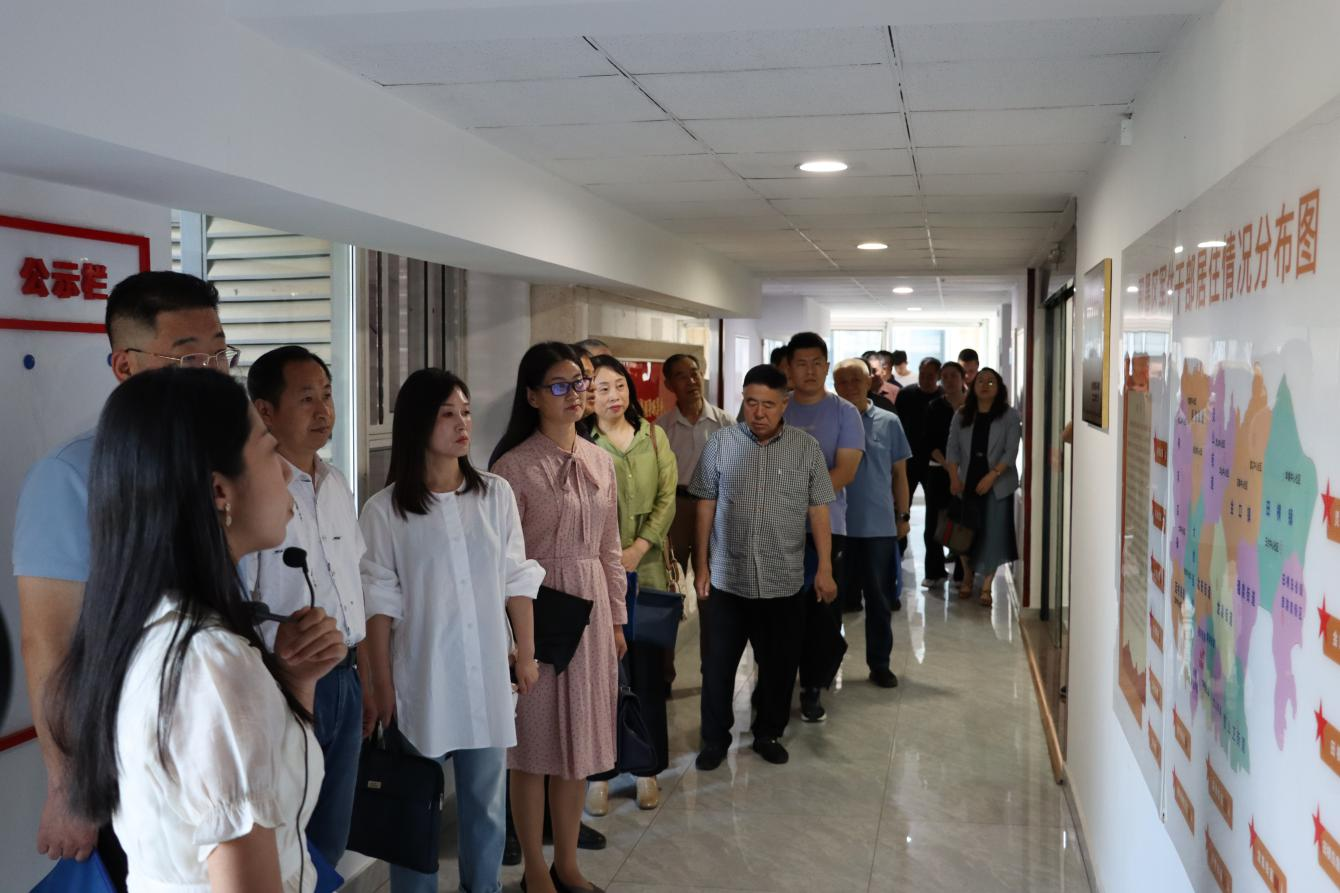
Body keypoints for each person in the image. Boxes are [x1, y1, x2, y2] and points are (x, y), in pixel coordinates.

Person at [47, 367, 346, 891]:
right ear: (219, 491)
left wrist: (295, 681)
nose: (285, 472)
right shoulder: (210, 664)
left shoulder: (152, 626)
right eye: (268, 450)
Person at [13, 270, 237, 888]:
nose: (214, 373)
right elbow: (49, 643)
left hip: (218, 747)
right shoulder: (70, 477)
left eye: (220, 353)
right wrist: (68, 786)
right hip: (130, 763)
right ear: (125, 366)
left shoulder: (222, 464)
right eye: (190, 358)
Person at [360, 368, 544, 893]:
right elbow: (378, 607)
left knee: (485, 807)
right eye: (447, 414)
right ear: (418, 424)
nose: (463, 424)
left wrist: (526, 652)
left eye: (465, 412)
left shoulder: (495, 495)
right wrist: (380, 684)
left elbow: (516, 577)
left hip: (487, 673)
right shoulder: (385, 511)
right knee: (415, 806)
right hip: (422, 676)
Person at [489, 342, 626, 893]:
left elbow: (610, 547)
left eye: (580, 382)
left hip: (591, 612)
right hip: (537, 614)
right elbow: (503, 563)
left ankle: (567, 864)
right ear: (532, 396)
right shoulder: (512, 468)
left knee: (579, 747)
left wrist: (617, 619)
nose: (575, 394)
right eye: (560, 385)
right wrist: (513, 639)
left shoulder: (600, 461)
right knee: (532, 749)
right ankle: (535, 871)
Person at [243, 345, 368, 869]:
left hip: (345, 676)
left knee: (332, 832)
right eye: (307, 398)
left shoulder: (335, 482)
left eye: (328, 396)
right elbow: (240, 604)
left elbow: (354, 582)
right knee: (285, 829)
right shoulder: (250, 493)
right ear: (265, 411)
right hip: (281, 683)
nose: (324, 411)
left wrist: (366, 677)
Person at [690, 364, 836, 770]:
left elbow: (819, 509)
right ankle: (714, 739)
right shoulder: (720, 444)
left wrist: (824, 567)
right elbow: (705, 504)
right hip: (727, 577)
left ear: (785, 404)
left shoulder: (805, 448)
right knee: (717, 666)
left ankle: (768, 733)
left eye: (768, 405)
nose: (758, 413)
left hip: (783, 580)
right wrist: (700, 566)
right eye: (751, 402)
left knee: (779, 666)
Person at [585, 355, 677, 814]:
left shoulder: (653, 438)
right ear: (588, 397)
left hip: (648, 570)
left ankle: (646, 770)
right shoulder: (583, 443)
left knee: (647, 675)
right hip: (598, 575)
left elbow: (667, 498)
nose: (613, 396)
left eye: (619, 386)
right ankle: (599, 774)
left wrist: (639, 548)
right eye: (602, 389)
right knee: (600, 676)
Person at [784, 332, 863, 723]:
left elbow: (845, 471)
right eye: (802, 363)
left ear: (827, 367)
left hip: (829, 527)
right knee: (780, 611)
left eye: (817, 363)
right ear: (789, 368)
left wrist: (794, 498)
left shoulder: (845, 413)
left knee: (822, 609)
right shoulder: (776, 407)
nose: (810, 371)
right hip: (776, 530)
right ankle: (777, 680)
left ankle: (813, 686)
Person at [832, 360, 911, 687]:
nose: (850, 386)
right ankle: (825, 665)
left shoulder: (888, 421)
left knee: (879, 599)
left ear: (870, 383)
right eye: (843, 381)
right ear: (834, 386)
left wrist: (903, 516)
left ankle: (880, 664)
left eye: (856, 380)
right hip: (834, 526)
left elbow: (900, 475)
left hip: (878, 526)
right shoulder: (830, 420)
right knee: (830, 601)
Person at [656, 353, 733, 670]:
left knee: (711, 593)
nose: (691, 381)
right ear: (668, 384)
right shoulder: (661, 429)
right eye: (681, 376)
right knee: (670, 589)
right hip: (674, 510)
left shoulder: (725, 423)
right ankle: (663, 671)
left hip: (713, 511)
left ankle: (712, 668)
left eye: (694, 373)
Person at [945, 367, 1021, 606]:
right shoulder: (962, 414)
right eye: (980, 381)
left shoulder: (1009, 416)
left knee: (993, 533)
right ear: (973, 386)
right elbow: (952, 448)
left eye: (991, 382)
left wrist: (992, 476)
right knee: (964, 532)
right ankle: (967, 577)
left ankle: (987, 585)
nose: (985, 385)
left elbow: (1011, 451)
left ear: (999, 388)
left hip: (998, 483)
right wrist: (953, 477)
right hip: (967, 480)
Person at [923, 362, 970, 589]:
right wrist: (948, 464)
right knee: (933, 523)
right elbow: (928, 441)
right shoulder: (934, 406)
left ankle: (962, 573)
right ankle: (934, 571)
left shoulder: (973, 405)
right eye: (945, 376)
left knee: (963, 523)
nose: (949, 380)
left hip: (967, 473)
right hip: (938, 470)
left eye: (953, 376)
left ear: (963, 378)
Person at [893, 357, 943, 554]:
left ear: (938, 376)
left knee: (934, 514)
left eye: (930, 375)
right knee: (902, 507)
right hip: (908, 460)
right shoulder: (906, 395)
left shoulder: (943, 396)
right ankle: (898, 549)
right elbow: (897, 426)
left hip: (934, 463)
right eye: (922, 374)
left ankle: (934, 561)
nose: (925, 379)